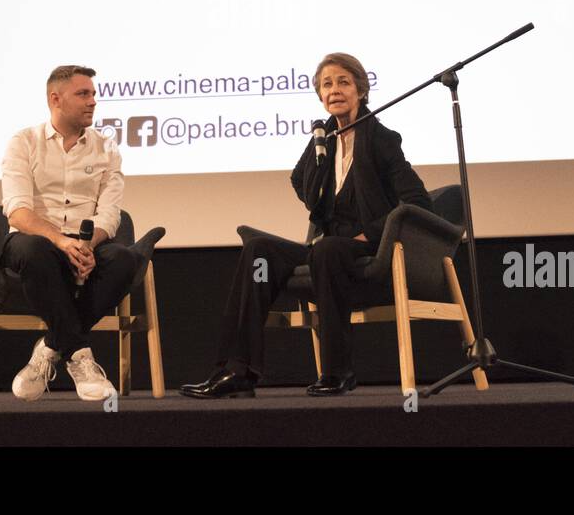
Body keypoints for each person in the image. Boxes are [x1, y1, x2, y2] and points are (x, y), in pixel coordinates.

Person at [180, 52, 433, 398]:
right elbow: (301, 182)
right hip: (326, 248)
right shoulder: (322, 140)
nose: (335, 90)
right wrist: (321, 156)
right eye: (326, 84)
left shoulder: (382, 139)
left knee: (327, 249)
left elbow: (417, 202)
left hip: (370, 248)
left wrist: (371, 234)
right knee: (260, 254)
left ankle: (337, 371)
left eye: (343, 82)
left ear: (361, 89)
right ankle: (237, 369)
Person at [0, 64, 137, 401]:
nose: (93, 101)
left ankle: (50, 347)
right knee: (36, 252)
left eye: (93, 94)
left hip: (85, 241)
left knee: (124, 259)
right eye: (83, 94)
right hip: (35, 241)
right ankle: (79, 354)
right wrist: (61, 241)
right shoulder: (24, 142)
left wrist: (87, 245)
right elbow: (18, 209)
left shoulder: (107, 148)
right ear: (55, 99)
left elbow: (109, 213)